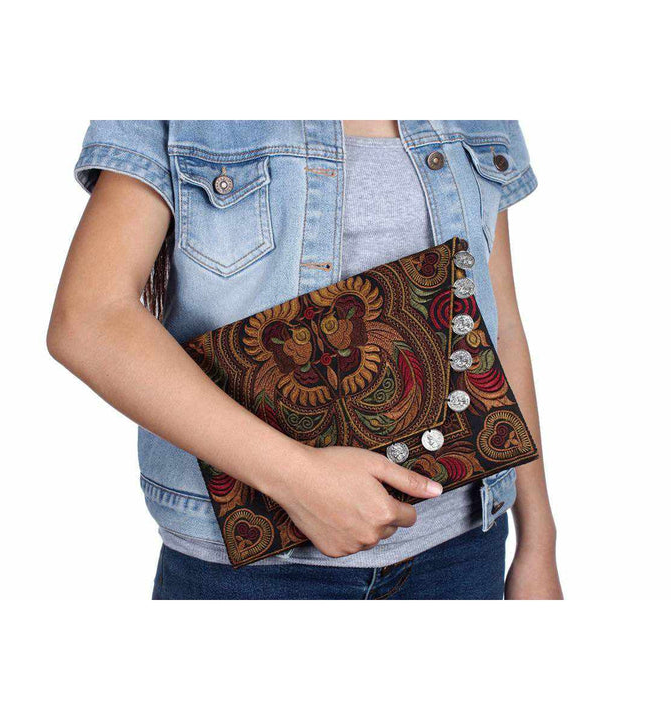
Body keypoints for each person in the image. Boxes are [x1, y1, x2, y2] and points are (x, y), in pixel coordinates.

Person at [48, 120, 562, 600]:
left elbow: (499, 326)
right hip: (253, 570)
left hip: (464, 547)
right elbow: (89, 319)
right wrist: (298, 478)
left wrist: (539, 543)